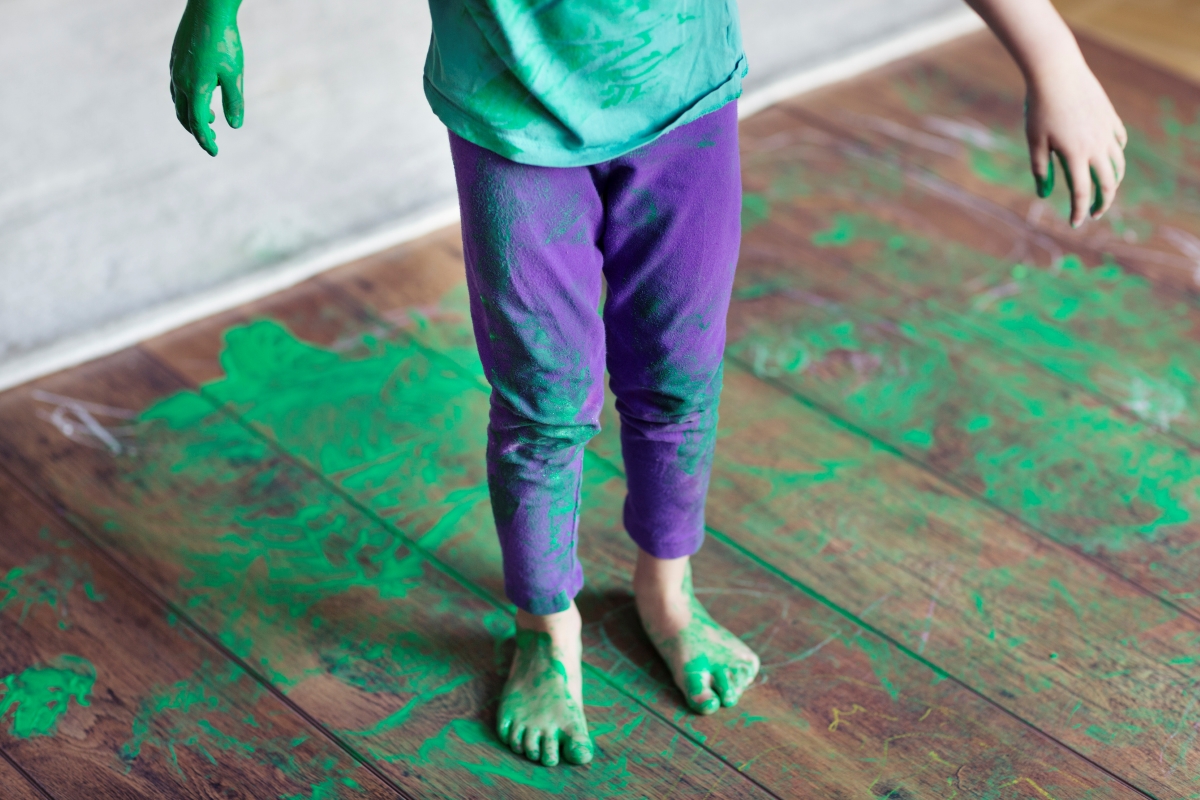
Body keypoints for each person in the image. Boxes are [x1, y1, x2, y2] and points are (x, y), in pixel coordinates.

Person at [168, 0, 1126, 769]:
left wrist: (1054, 59)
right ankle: (547, 626)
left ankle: (666, 590)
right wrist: (215, 10)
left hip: (684, 106)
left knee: (678, 371)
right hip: (512, 116)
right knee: (542, 398)